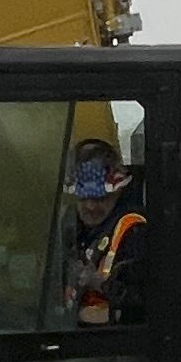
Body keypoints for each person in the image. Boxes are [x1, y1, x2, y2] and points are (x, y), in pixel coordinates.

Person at [63, 137, 147, 327]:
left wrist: (99, 283)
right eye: (83, 198)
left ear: (118, 192)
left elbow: (146, 303)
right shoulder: (70, 224)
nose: (91, 206)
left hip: (113, 343)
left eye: (100, 198)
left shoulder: (135, 229)